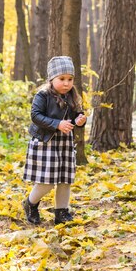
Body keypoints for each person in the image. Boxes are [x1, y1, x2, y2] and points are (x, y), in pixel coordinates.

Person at [22, 56, 87, 225]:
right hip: (46, 142)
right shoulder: (43, 95)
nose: (66, 83)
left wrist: (80, 121)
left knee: (65, 179)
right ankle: (30, 203)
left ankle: (61, 212)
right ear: (52, 79)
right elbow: (35, 116)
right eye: (62, 79)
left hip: (64, 143)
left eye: (70, 79)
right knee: (47, 182)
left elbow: (74, 118)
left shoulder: (72, 96)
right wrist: (57, 124)